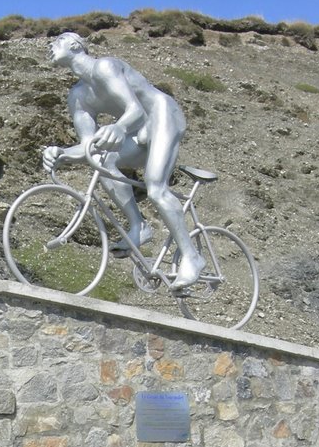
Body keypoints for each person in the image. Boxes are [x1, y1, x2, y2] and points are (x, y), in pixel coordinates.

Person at [42, 32, 205, 289]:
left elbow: (136, 110)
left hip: (161, 116)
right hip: (136, 131)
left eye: (56, 41)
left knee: (155, 189)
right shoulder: (78, 96)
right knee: (101, 158)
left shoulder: (104, 66)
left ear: (75, 45)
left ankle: (192, 258)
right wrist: (61, 154)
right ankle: (138, 226)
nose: (50, 46)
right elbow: (88, 148)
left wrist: (118, 128)